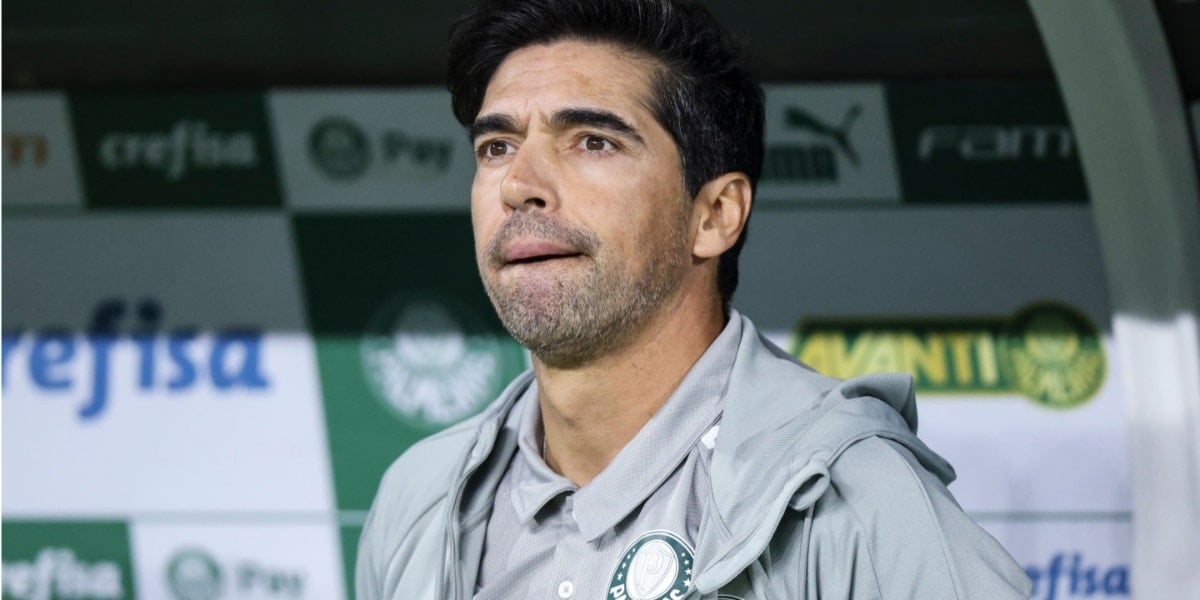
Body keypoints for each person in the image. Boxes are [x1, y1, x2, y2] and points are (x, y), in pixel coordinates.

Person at [356, 1, 1033, 598]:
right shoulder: (420, 498)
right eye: (497, 146)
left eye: (592, 141)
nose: (519, 184)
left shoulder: (852, 501)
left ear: (714, 214)